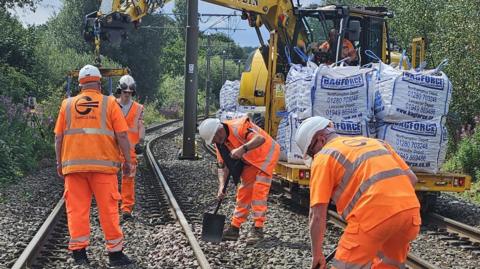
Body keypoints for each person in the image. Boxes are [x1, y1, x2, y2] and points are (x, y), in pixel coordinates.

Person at [295, 116, 421, 269]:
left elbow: (317, 215)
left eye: (311, 152)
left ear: (321, 139)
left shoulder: (324, 157)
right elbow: (412, 179)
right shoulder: (378, 143)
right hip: (410, 215)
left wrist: (317, 254)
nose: (313, 156)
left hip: (372, 218)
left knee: (344, 265)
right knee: (389, 265)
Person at [54, 64, 133, 266]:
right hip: (104, 168)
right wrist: (128, 161)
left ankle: (79, 254)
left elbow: (58, 137)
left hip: (74, 168)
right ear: (99, 83)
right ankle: (115, 254)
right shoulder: (109, 103)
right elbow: (123, 135)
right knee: (108, 210)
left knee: (77, 210)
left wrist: (59, 163)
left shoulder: (67, 105)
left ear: (80, 84)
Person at [198, 117, 280, 245]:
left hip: (265, 154)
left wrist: (242, 149)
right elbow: (222, 167)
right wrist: (221, 187)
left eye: (215, 139)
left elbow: (260, 139)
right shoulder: (220, 144)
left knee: (259, 191)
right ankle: (234, 229)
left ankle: (258, 229)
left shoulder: (239, 126)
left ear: (218, 131)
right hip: (250, 160)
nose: (215, 142)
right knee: (243, 191)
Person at [115, 74, 145, 220]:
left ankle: (126, 209)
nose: (127, 95)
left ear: (133, 92)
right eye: (124, 92)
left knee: (128, 179)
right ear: (119, 91)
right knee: (110, 180)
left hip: (130, 151)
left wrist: (141, 141)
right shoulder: (111, 105)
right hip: (112, 150)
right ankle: (112, 208)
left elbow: (140, 125)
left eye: (129, 93)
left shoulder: (138, 108)